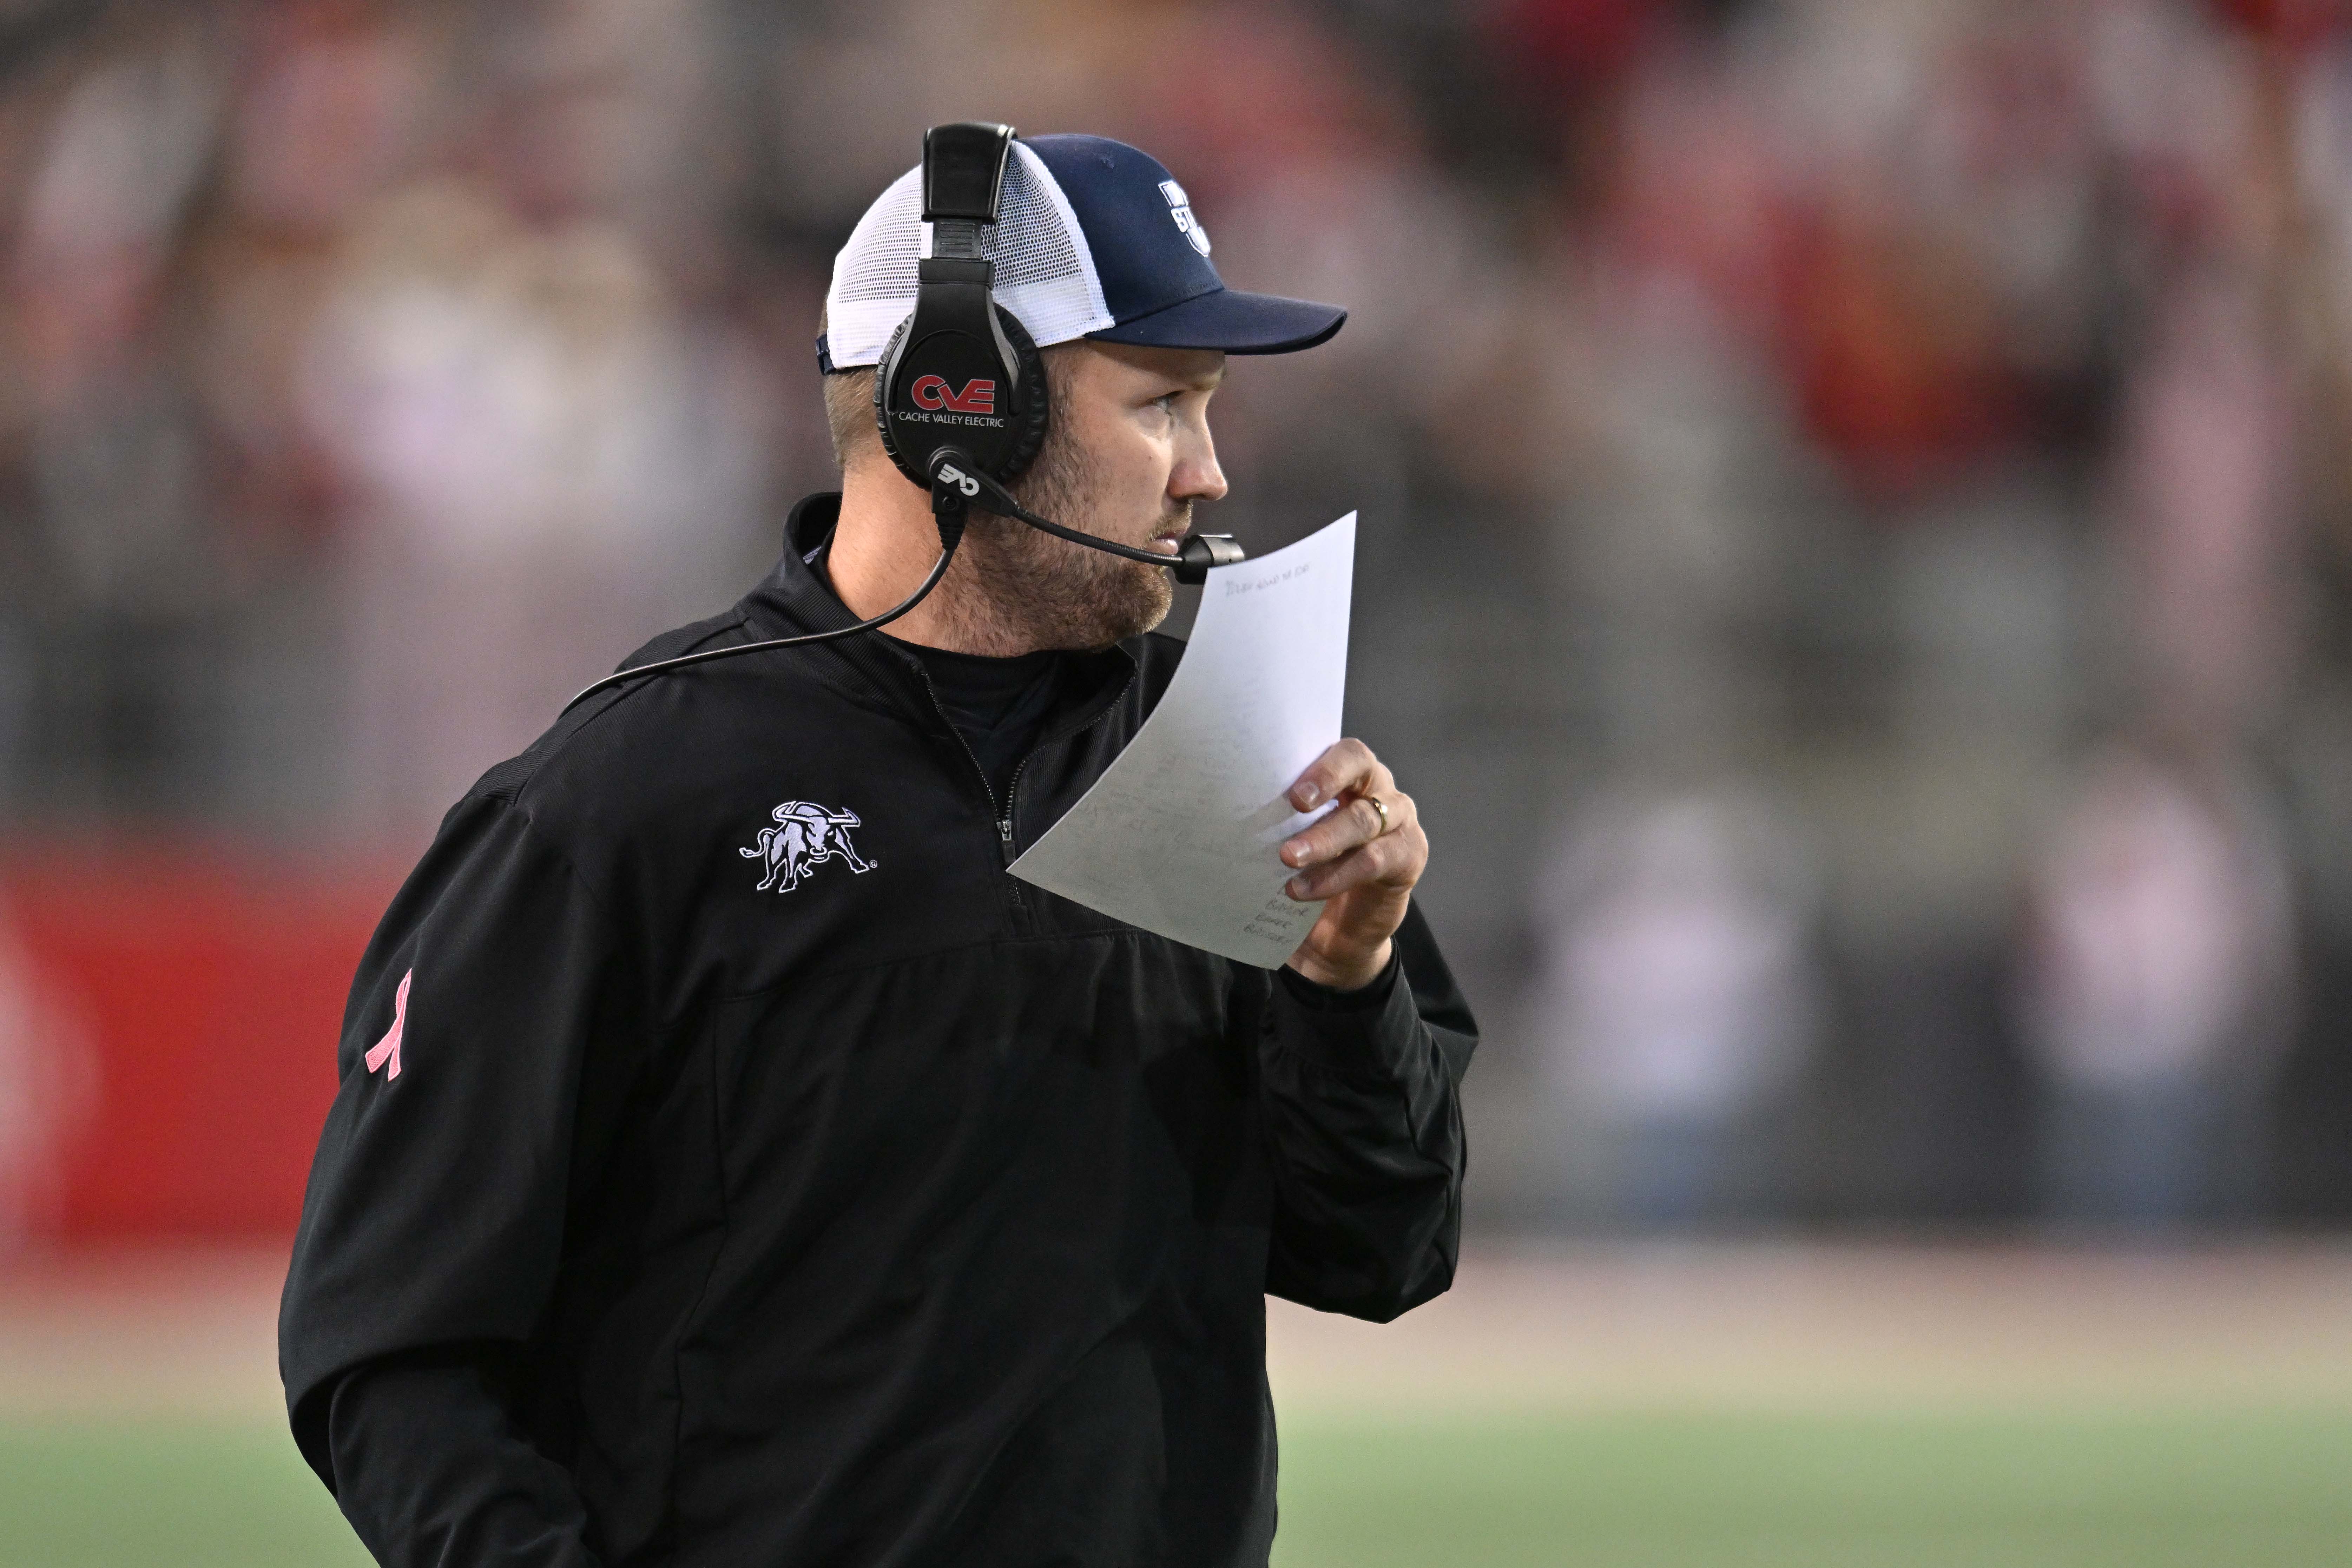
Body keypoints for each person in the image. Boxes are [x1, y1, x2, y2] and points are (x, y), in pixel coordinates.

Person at [278, 132, 1475, 1568]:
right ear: (959, 409)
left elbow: (1383, 1255)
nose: (1209, 473)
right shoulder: (626, 798)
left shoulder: (1229, 754)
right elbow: (388, 1351)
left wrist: (1345, 980)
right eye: (1162, 406)